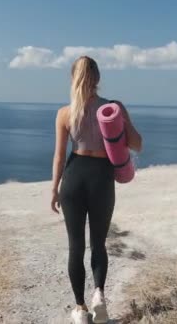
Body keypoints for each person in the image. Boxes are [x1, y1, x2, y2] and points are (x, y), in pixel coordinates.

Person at [50, 56, 142, 323]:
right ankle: (99, 295)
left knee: (75, 246)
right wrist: (120, 123)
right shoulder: (114, 108)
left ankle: (80, 309)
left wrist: (54, 189)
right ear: (98, 78)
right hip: (101, 178)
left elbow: (58, 156)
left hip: (73, 178)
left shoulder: (64, 113)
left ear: (72, 78)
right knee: (99, 243)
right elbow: (138, 144)